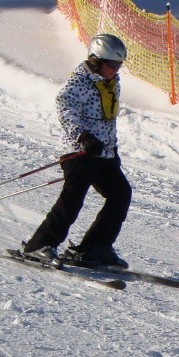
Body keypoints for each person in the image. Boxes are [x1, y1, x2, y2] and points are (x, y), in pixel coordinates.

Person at [22, 33, 132, 269]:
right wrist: (83, 136)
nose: (116, 70)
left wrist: (111, 148)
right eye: (112, 64)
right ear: (96, 60)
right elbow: (64, 108)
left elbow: (107, 120)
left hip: (104, 154)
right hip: (79, 152)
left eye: (119, 65)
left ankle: (95, 247)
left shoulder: (112, 83)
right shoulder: (78, 82)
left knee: (121, 194)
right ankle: (39, 245)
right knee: (73, 199)